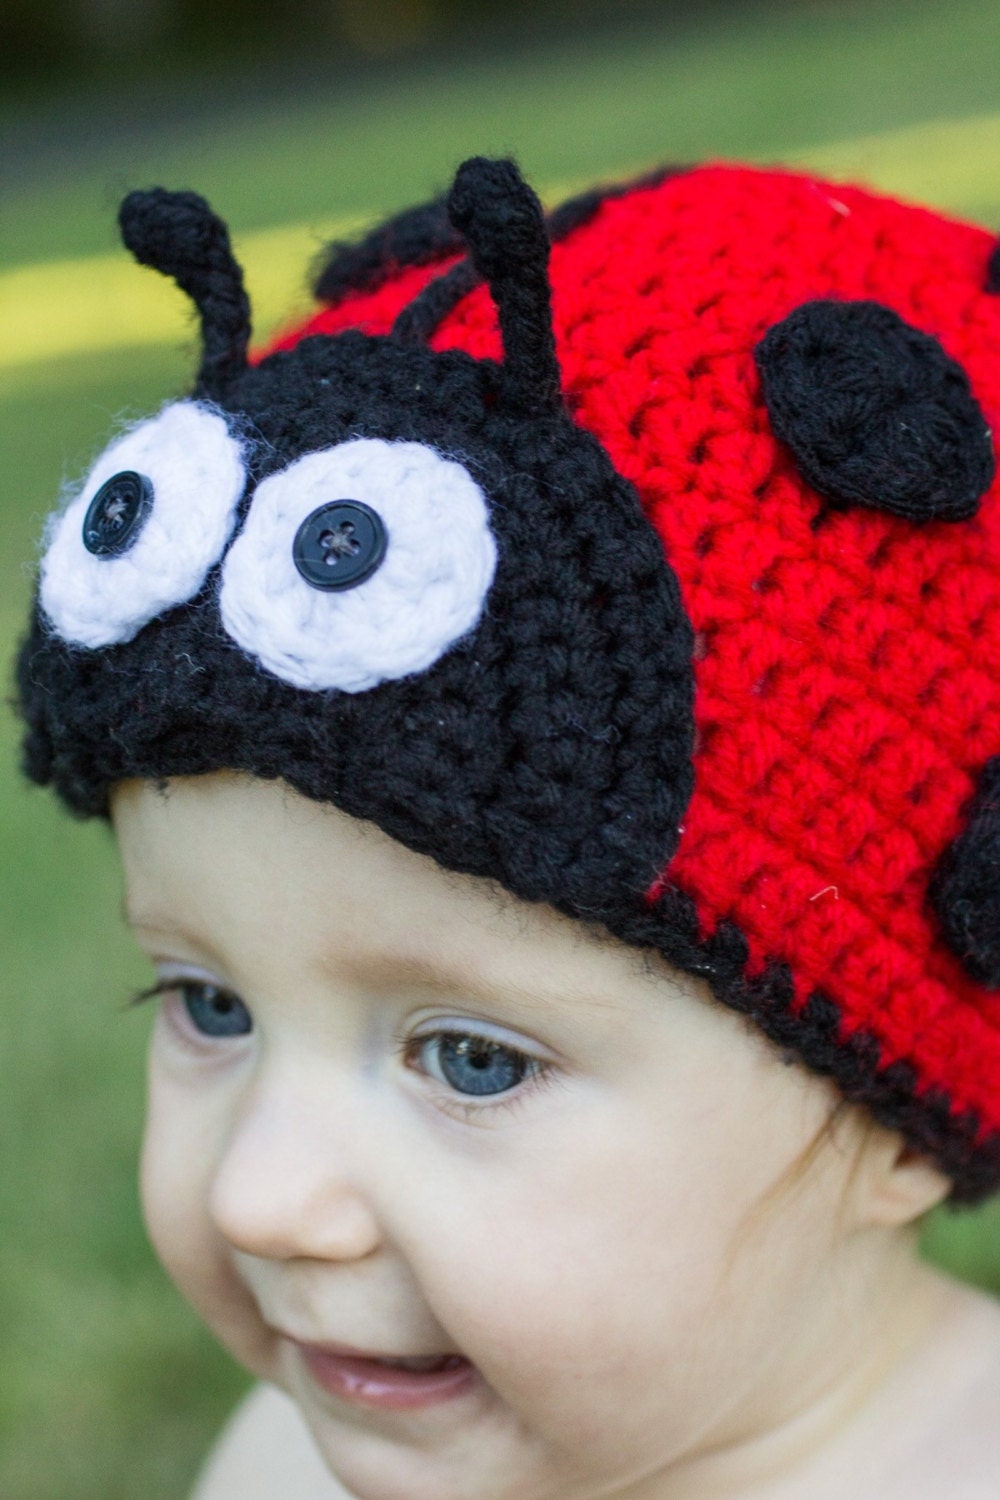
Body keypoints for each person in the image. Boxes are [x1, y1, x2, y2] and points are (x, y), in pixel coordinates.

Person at [16, 155, 1000, 1500]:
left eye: (474, 1059)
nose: (261, 1195)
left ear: (893, 1121)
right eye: (210, 1005)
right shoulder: (278, 1471)